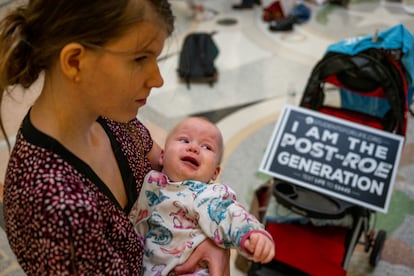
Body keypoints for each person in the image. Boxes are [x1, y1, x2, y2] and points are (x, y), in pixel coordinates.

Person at [0, 1, 230, 275]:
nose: (158, 79)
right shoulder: (58, 211)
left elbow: (169, 168)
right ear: (75, 62)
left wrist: (214, 235)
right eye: (140, 58)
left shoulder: (108, 113)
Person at [129, 117, 275, 275]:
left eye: (206, 146)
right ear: (162, 156)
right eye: (184, 140)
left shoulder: (206, 194)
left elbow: (229, 213)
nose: (194, 148)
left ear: (215, 173)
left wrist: (251, 233)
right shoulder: (150, 179)